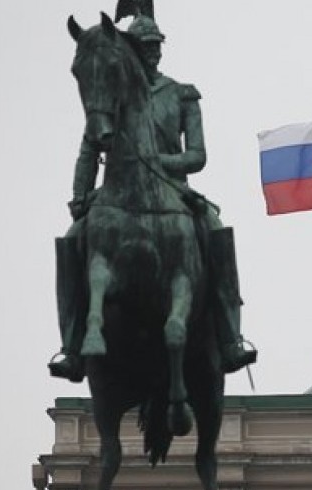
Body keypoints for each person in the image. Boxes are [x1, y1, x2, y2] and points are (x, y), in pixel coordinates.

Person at [49, 15, 256, 381]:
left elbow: (197, 156)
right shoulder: (112, 95)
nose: (152, 53)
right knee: (72, 239)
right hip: (116, 192)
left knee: (215, 227)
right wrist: (79, 194)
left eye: (157, 46)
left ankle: (229, 337)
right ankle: (71, 344)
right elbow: (88, 147)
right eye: (145, 47)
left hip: (173, 189)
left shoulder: (181, 94)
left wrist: (155, 162)